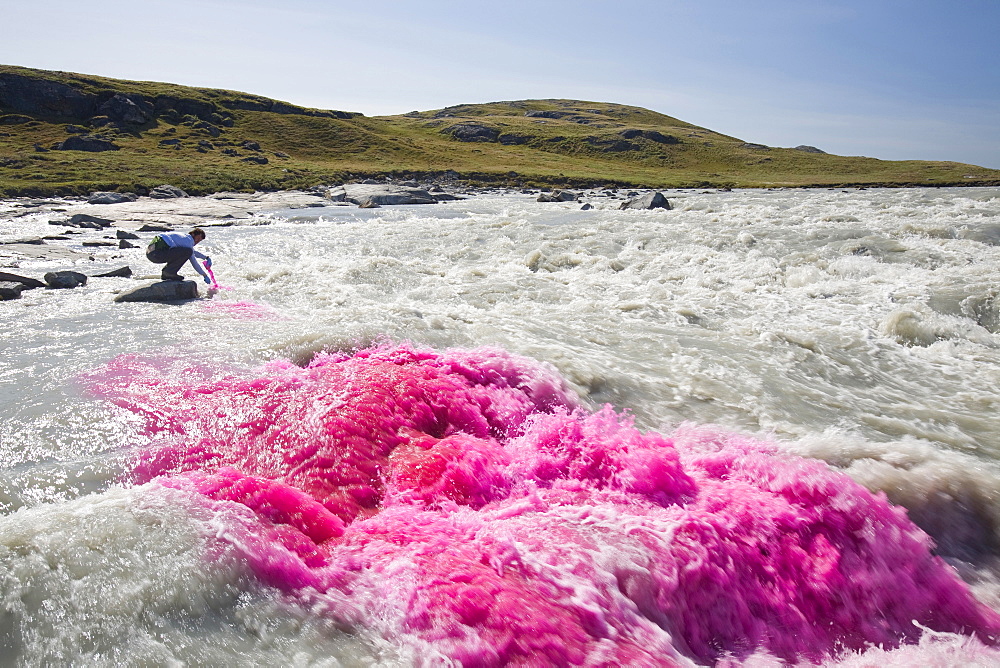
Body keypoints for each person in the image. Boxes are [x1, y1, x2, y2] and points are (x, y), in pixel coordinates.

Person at [146, 228, 213, 283]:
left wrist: (206, 257)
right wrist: (204, 275)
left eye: (199, 241)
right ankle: (169, 272)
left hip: (151, 253)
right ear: (193, 234)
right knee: (187, 252)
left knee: (187, 251)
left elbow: (192, 252)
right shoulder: (188, 241)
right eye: (197, 239)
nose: (197, 242)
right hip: (156, 254)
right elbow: (193, 260)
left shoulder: (184, 237)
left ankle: (167, 273)